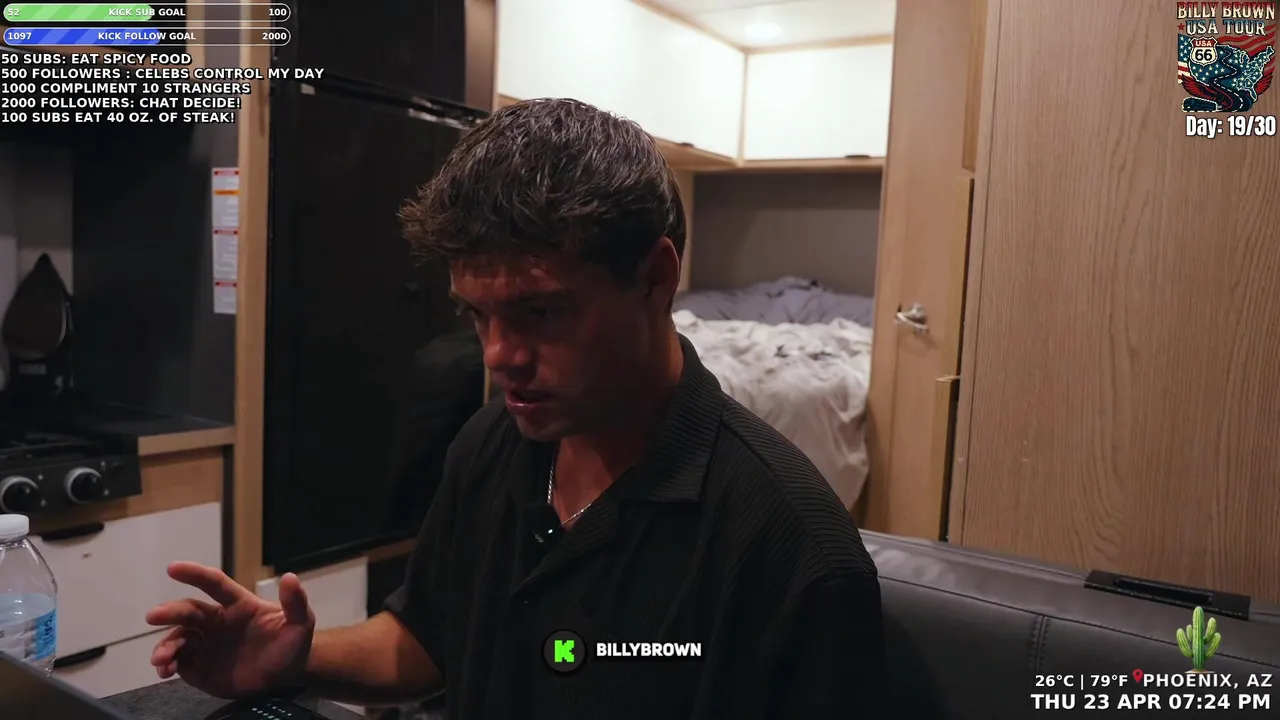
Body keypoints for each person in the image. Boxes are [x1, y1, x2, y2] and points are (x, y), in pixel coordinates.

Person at [146, 98, 890, 719]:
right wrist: (293, 657)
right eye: (477, 316)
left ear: (655, 279)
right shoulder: (493, 442)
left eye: (541, 312)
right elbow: (427, 641)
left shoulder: (793, 553)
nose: (499, 356)